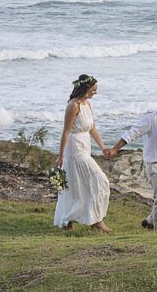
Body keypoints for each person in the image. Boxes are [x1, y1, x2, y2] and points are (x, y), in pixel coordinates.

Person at [104, 88, 157, 231]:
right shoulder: (151, 119)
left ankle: (150, 220)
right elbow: (132, 133)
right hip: (155, 165)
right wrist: (115, 149)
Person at [53, 74, 112, 232]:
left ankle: (92, 221)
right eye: (93, 90)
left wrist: (103, 148)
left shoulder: (87, 105)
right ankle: (85, 221)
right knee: (98, 180)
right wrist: (61, 156)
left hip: (85, 146)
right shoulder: (73, 105)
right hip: (75, 148)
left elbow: (93, 129)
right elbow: (66, 131)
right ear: (86, 88)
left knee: (83, 184)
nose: (95, 93)